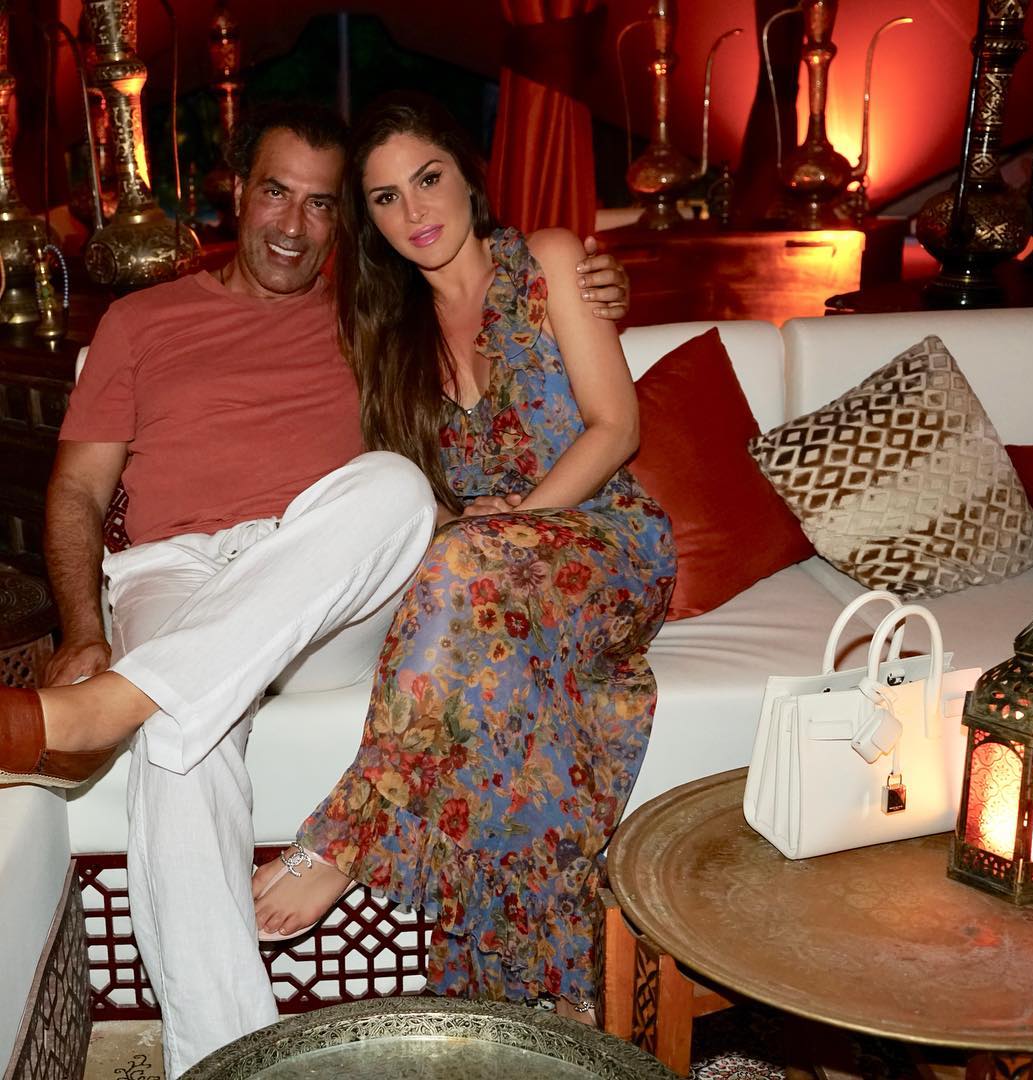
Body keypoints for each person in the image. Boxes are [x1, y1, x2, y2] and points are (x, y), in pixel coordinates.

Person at [0, 101, 629, 1077]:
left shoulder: (374, 311)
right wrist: (86, 627)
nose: (294, 226)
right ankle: (231, 1061)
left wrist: (600, 281)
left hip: (324, 582)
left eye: (323, 204)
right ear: (236, 194)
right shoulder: (138, 320)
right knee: (181, 748)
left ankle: (110, 705)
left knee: (394, 487)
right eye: (275, 194)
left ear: (345, 221)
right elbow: (78, 491)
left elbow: (498, 301)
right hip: (177, 574)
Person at [248, 93, 675, 1011]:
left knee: (464, 568)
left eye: (428, 178)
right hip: (490, 584)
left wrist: (510, 522)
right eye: (385, 198)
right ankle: (546, 995)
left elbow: (616, 427)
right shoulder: (385, 337)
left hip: (606, 544)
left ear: (468, 178)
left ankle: (346, 833)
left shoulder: (549, 261)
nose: (416, 211)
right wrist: (466, 529)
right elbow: (421, 497)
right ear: (368, 221)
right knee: (499, 684)